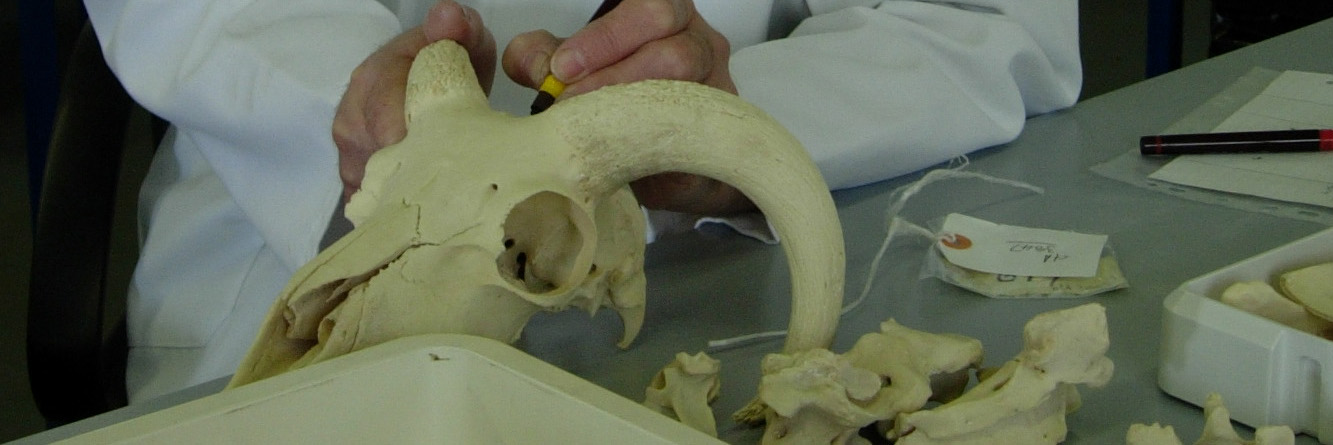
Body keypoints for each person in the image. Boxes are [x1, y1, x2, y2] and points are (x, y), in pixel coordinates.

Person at [84, 0, 1080, 402]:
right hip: (312, 259)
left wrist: (724, 131)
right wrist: (393, 135)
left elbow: (976, 21)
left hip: (727, 301)